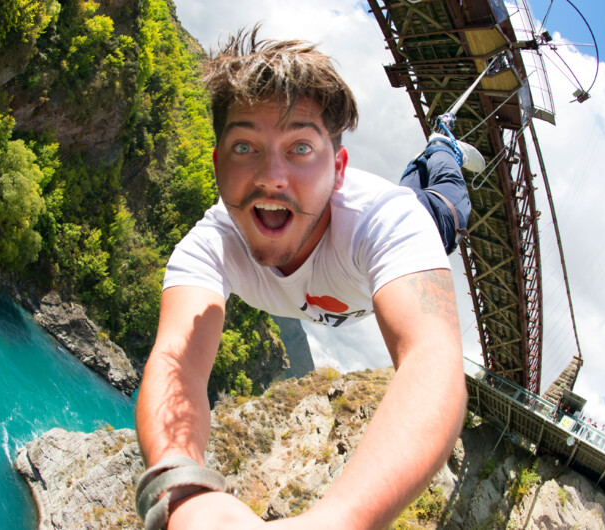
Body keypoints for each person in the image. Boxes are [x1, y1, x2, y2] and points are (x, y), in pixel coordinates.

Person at [134, 26, 472, 529]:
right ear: (217, 163)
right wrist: (182, 490)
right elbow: (176, 361)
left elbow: (432, 360)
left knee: (444, 196)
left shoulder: (390, 221)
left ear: (338, 169)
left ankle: (443, 146)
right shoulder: (210, 244)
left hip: (430, 214)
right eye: (245, 146)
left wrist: (336, 521)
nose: (271, 176)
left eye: (300, 149)